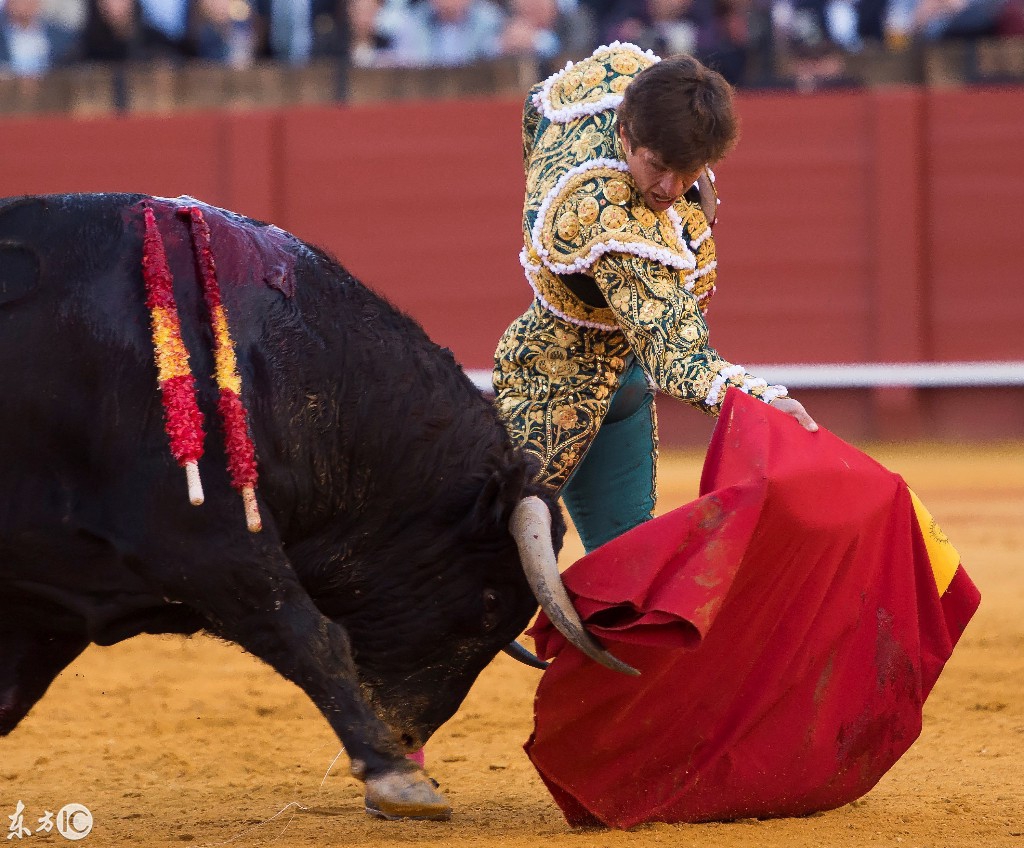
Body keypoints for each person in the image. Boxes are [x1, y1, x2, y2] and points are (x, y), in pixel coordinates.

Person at [492, 42, 817, 554]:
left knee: (627, 555)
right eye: (658, 166)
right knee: (483, 551)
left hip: (622, 375)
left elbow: (540, 102)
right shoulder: (609, 219)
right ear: (625, 134)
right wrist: (767, 401)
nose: (670, 187)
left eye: (689, 171)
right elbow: (676, 357)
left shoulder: (628, 80)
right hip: (557, 377)